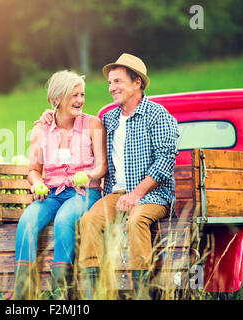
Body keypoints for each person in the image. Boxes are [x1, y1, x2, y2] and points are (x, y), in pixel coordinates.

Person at [39, 53, 179, 299]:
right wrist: (51, 114)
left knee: (136, 221)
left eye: (118, 82)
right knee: (89, 222)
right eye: (110, 83)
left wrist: (136, 194)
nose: (112, 88)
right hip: (116, 194)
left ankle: (143, 293)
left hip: (154, 195)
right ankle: (96, 293)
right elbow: (77, 124)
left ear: (137, 83)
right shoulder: (109, 118)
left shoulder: (157, 115)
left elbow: (165, 161)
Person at [14, 70, 108, 300]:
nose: (80, 100)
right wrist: (37, 184)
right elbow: (34, 171)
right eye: (73, 95)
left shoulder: (93, 125)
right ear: (57, 99)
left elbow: (102, 167)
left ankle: (60, 293)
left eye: (82, 94)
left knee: (65, 219)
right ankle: (23, 295)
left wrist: (88, 174)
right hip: (52, 194)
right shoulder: (40, 129)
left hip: (84, 193)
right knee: (27, 221)